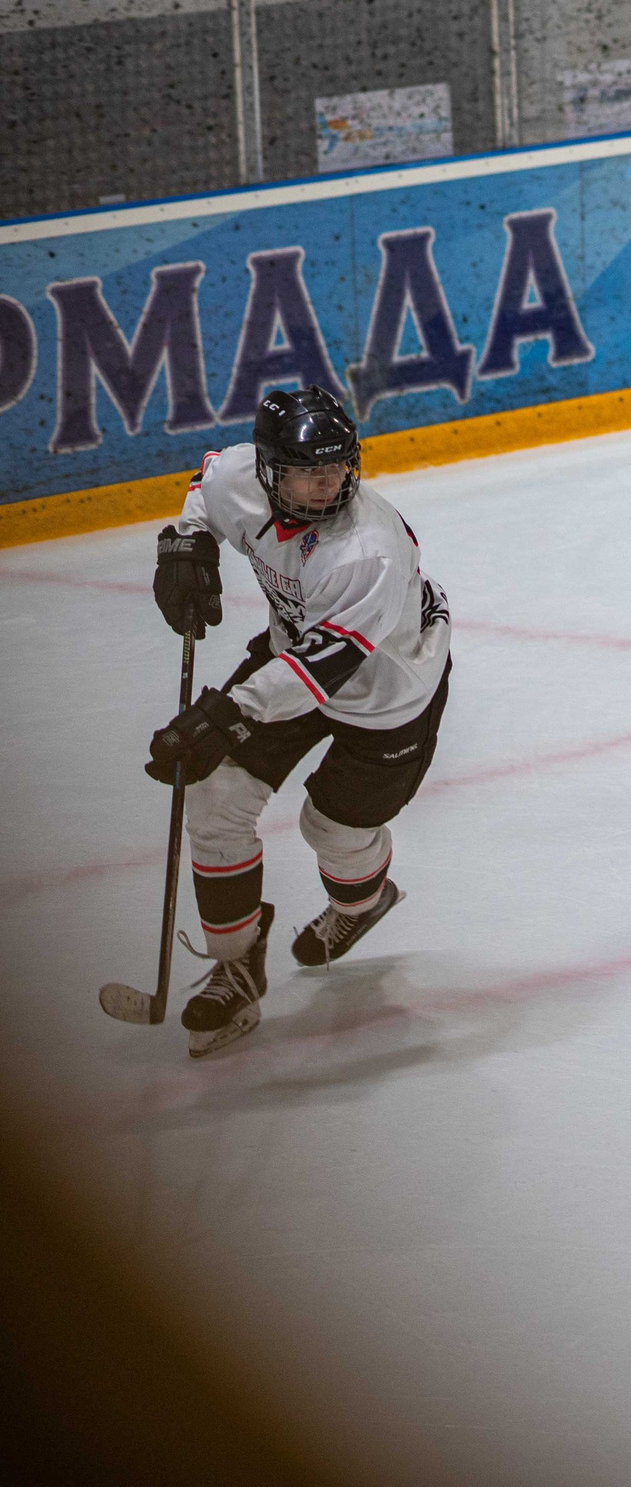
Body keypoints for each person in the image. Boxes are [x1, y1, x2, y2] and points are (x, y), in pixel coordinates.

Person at [145, 385, 453, 1059]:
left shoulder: (367, 547)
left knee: (332, 832)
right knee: (216, 797)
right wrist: (186, 544)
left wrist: (224, 715)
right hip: (297, 648)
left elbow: (322, 672)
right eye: (309, 471)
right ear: (268, 470)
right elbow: (206, 489)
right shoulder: (238, 475)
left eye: (340, 467)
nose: (328, 483)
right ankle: (236, 965)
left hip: (385, 690)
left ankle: (361, 903)